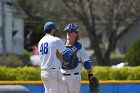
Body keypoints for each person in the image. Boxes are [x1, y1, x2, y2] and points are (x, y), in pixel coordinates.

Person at [38, 22, 80, 93]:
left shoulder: (41, 41)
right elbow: (67, 57)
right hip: (54, 72)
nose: (55, 31)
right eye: (55, 29)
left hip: (43, 72)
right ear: (52, 30)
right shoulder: (55, 40)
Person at [60, 23, 95, 93]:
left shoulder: (79, 47)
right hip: (62, 77)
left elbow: (86, 61)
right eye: (67, 31)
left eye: (70, 31)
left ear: (76, 34)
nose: (68, 33)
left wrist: (90, 74)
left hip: (74, 77)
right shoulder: (61, 45)